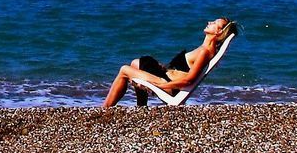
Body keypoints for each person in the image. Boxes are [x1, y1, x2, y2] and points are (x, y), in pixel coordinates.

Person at [101, 17, 238, 107]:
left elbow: (188, 81)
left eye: (214, 23)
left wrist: (158, 84)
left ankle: (105, 108)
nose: (209, 22)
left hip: (169, 86)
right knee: (136, 63)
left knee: (125, 70)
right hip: (167, 77)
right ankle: (141, 107)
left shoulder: (205, 52)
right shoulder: (205, 49)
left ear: (218, 32)